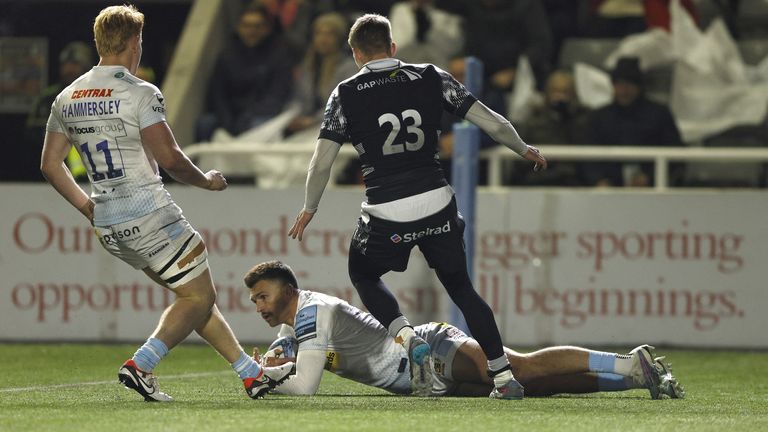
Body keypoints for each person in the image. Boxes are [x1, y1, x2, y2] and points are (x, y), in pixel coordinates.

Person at [39, 5, 294, 402]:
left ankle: (250, 374)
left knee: (191, 298)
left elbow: (50, 166)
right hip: (149, 212)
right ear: (133, 42)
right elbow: (172, 159)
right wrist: (207, 181)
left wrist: (89, 207)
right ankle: (141, 365)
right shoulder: (140, 92)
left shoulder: (66, 97)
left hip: (109, 223)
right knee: (198, 297)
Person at [288, 14, 548, 400]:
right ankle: (504, 377)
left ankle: (408, 337)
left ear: (356, 55)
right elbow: (491, 121)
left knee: (363, 273)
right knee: (462, 288)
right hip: (437, 201)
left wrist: (310, 206)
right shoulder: (431, 75)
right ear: (393, 48)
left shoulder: (345, 92)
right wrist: (524, 148)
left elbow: (321, 161)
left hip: (386, 209)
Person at [244, 260, 685, 399]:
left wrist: (265, 378)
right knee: (536, 389)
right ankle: (633, 380)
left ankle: (628, 361)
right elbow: (284, 358)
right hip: (426, 382)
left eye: (262, 295)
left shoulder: (311, 312)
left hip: (431, 350)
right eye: (253, 300)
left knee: (521, 369)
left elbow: (304, 387)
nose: (258, 305)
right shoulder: (295, 326)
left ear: (288, 290)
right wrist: (274, 366)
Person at [196, 2, 296, 141]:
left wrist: (250, 116)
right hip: (231, 114)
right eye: (246, 26)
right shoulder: (226, 56)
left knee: (258, 124)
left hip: (261, 114)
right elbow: (217, 93)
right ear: (239, 27)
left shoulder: (279, 55)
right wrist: (227, 120)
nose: (251, 31)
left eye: (257, 26)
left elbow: (277, 94)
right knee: (205, 124)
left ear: (267, 29)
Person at [585, 56, 683, 187]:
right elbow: (588, 157)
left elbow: (675, 154)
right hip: (607, 191)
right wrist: (599, 180)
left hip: (653, 191)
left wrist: (650, 177)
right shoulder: (599, 118)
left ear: (639, 86)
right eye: (619, 84)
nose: (624, 90)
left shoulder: (659, 115)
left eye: (629, 84)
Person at [25, 41, 95, 181]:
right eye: (66, 64)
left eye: (75, 64)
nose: (69, 69)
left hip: (96, 173)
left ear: (87, 66)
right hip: (52, 173)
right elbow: (32, 132)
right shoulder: (48, 97)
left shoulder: (99, 95)